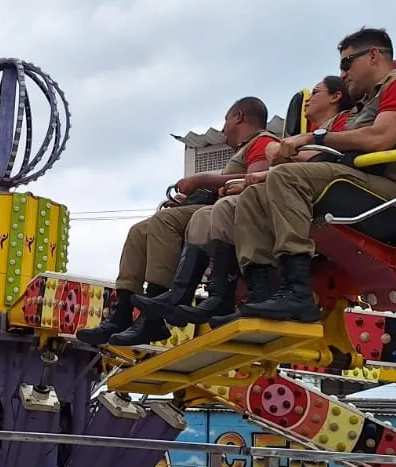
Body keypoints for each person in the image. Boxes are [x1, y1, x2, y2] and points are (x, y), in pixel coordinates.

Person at [222, 28, 396, 324]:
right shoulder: (363, 106)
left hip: (394, 198)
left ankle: (297, 292)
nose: (344, 73)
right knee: (253, 197)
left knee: (286, 178)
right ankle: (259, 294)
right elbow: (335, 156)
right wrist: (267, 174)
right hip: (358, 184)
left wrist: (311, 137)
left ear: (374, 55)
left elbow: (379, 138)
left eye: (347, 63)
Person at [134, 76, 354, 330]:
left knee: (220, 209)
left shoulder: (337, 126)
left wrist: (215, 179)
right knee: (178, 221)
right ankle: (203, 297)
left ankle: (226, 295)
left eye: (316, 92)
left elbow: (314, 162)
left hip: (313, 192)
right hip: (291, 190)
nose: (307, 101)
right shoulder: (308, 136)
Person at [77, 96, 273, 346]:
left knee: (165, 222)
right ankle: (122, 312)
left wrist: (201, 180)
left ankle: (154, 316)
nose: (224, 129)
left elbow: (252, 182)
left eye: (226, 120)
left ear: (238, 116)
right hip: (214, 208)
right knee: (139, 231)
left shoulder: (262, 142)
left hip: (229, 214)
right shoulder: (244, 148)